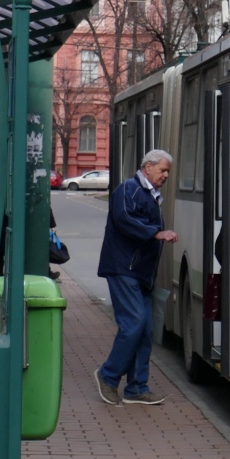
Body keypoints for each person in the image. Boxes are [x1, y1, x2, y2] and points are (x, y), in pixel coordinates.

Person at [95, 149, 178, 406]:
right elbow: (124, 218)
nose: (165, 175)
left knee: (144, 329)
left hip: (139, 273)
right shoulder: (128, 189)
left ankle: (136, 387)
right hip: (124, 269)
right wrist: (156, 232)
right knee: (134, 323)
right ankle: (108, 376)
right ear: (148, 166)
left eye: (167, 172)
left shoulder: (148, 194)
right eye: (163, 170)